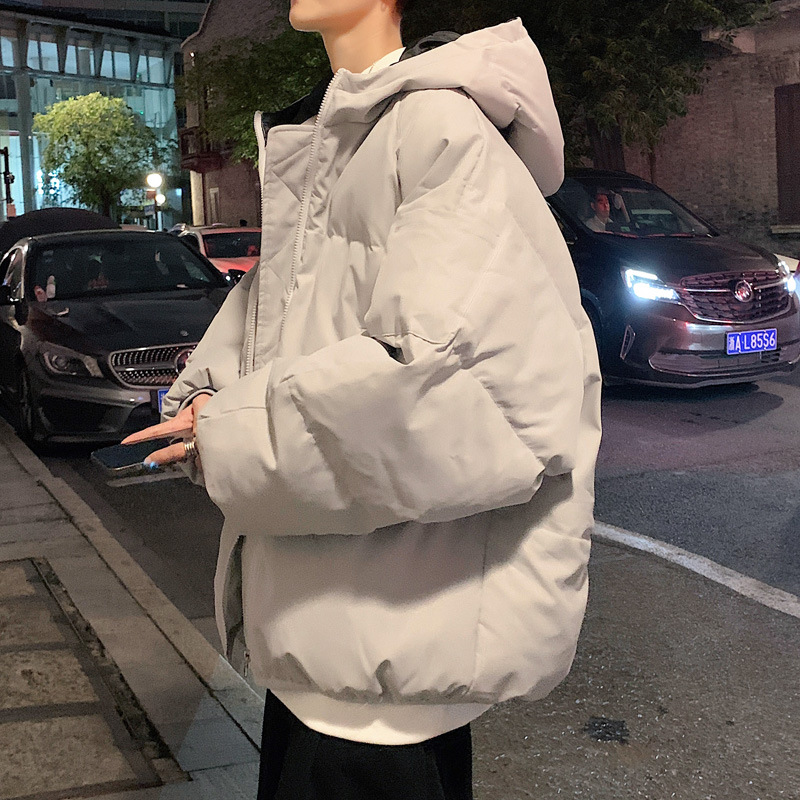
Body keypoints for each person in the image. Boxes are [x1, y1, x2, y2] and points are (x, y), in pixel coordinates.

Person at [123, 1, 602, 797]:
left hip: (384, 679)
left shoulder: (435, 127)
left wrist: (230, 432)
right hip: (322, 660)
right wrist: (205, 396)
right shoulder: (335, 140)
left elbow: (459, 384)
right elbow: (281, 332)